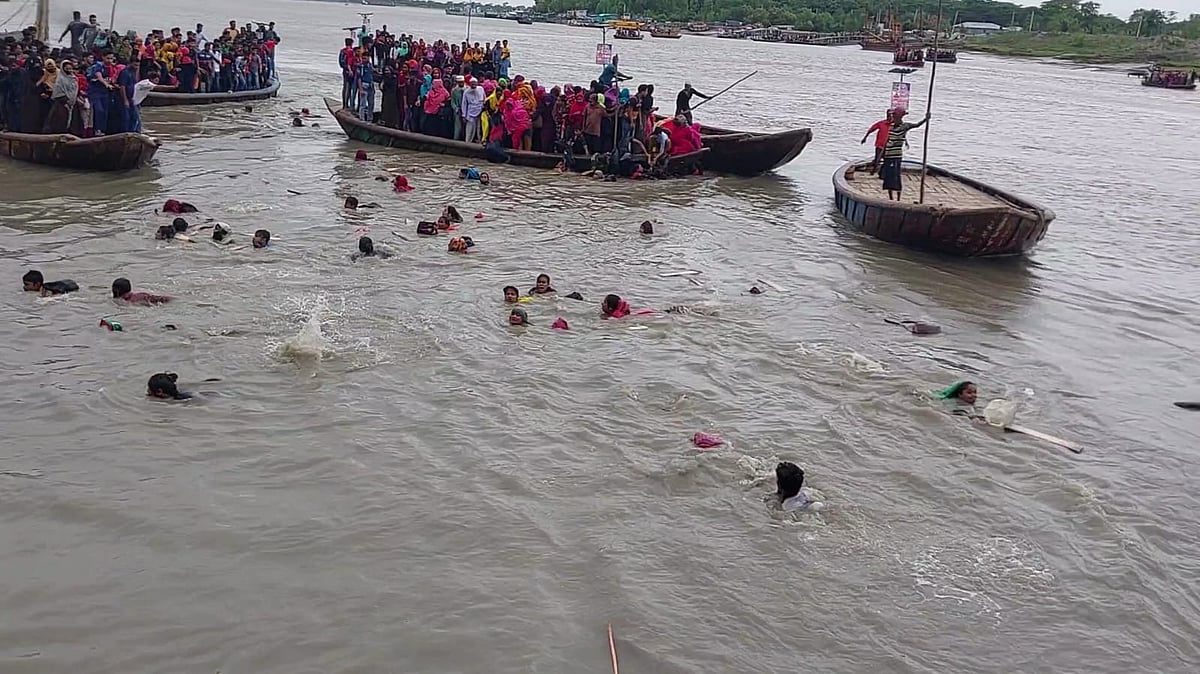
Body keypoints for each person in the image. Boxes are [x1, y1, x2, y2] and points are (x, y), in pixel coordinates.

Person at [880, 109, 929, 201]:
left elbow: (917, 125)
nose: (893, 117)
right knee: (888, 176)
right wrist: (882, 153)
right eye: (893, 116)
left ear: (900, 117)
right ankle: (890, 197)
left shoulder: (905, 126)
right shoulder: (891, 126)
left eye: (895, 116)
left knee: (896, 176)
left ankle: (898, 198)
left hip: (896, 155)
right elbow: (887, 140)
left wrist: (925, 119)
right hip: (888, 155)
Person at [461, 76, 485, 144]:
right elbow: (464, 104)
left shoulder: (481, 89)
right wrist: (464, 115)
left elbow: (484, 98)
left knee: (479, 128)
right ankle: (467, 142)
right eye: (472, 83)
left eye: (475, 83)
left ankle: (480, 141)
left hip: (480, 111)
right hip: (470, 112)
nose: (474, 84)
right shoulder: (466, 92)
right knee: (470, 129)